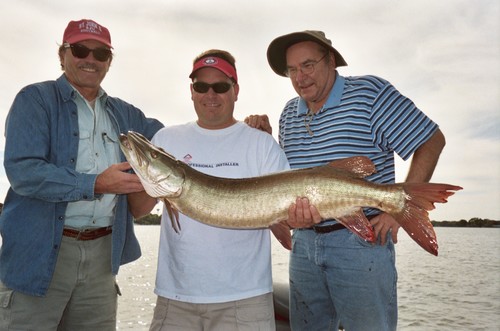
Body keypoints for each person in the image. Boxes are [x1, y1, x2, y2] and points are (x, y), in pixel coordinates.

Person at [246, 30, 446, 331]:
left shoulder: (370, 94)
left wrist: (396, 212)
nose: (300, 77)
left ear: (330, 61)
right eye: (292, 70)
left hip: (359, 244)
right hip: (303, 246)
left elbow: (431, 140)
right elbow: (292, 179)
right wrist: (264, 140)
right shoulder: (289, 113)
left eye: (308, 65)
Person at [0, 19, 163, 330]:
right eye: (80, 49)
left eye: (101, 54)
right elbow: (23, 171)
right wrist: (96, 183)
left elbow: (174, 141)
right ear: (62, 55)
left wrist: (245, 130)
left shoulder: (127, 114)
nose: (91, 59)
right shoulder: (34, 101)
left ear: (109, 62)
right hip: (37, 257)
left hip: (103, 259)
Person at [128, 49, 292, 331]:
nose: (210, 94)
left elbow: (287, 231)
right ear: (191, 91)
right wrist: (148, 176)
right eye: (201, 86)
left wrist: (298, 217)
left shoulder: (262, 144)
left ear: (235, 90)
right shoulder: (166, 140)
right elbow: (138, 209)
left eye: (220, 86)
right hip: (175, 298)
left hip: (246, 299)